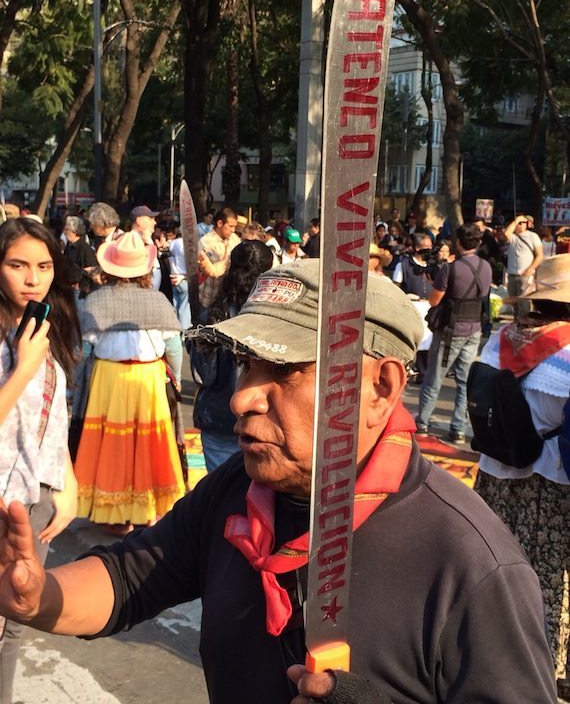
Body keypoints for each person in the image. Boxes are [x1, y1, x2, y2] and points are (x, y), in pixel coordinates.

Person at [0, 261, 558, 704]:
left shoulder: (469, 562)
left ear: (380, 389)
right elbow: (132, 575)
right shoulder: (234, 492)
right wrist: (32, 596)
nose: (242, 396)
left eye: (285, 369)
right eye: (246, 365)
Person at [474, 254, 570, 697]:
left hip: (494, 476)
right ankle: (540, 672)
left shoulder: (500, 340)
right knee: (545, 580)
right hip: (549, 486)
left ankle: (488, 658)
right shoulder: (567, 354)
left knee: (492, 569)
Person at [0, 217, 80, 704]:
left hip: (39, 498)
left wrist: (67, 483)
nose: (33, 278)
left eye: (44, 265)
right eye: (17, 265)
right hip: (3, 502)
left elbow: (54, 412)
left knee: (16, 624)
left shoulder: (48, 325)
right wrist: (23, 368)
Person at [73, 231, 185, 536]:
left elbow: (85, 349)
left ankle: (117, 515)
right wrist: (171, 376)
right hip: (149, 377)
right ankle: (149, 510)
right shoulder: (158, 300)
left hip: (110, 379)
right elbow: (173, 347)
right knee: (151, 443)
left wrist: (76, 385)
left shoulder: (97, 300)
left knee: (113, 445)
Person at [190, 240, 273, 472]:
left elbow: (204, 376)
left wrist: (195, 344)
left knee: (222, 497)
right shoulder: (276, 321)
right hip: (264, 417)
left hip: (219, 417)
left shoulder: (213, 316)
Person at [417, 224, 492, 443]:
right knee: (464, 381)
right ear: (478, 243)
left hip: (451, 330)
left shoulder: (452, 268)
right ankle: (458, 428)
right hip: (475, 328)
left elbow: (434, 299)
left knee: (434, 378)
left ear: (458, 243)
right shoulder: (486, 267)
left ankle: (422, 423)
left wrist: (437, 285)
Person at [198, 206, 240, 315]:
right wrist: (230, 261)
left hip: (229, 298)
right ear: (220, 223)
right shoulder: (206, 242)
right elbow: (213, 270)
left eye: (234, 227)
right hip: (209, 298)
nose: (233, 230)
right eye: (230, 226)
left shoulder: (234, 239)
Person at [505, 214, 543, 319]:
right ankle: (516, 324)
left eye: (523, 223)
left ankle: (525, 326)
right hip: (512, 274)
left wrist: (530, 269)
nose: (520, 225)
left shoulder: (533, 236)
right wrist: (517, 220)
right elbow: (506, 233)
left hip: (525, 275)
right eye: (519, 223)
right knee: (514, 303)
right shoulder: (513, 237)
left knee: (524, 303)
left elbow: (540, 255)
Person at [62, 216, 97, 304]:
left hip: (80, 290)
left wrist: (79, 280)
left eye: (67, 230)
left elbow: (92, 269)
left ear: (74, 232)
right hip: (69, 288)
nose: (65, 233)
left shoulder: (85, 249)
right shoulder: (69, 247)